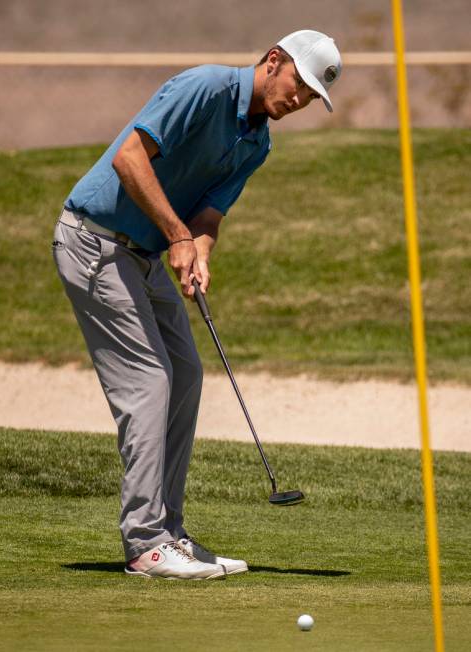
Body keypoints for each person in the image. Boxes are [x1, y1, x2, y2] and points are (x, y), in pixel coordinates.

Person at [52, 29, 342, 580]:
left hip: (143, 256)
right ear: (274, 60)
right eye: (300, 85)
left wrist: (198, 249)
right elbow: (130, 160)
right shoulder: (205, 87)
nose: (300, 101)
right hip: (93, 241)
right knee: (149, 383)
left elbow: (209, 215)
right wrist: (177, 236)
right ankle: (144, 543)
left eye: (311, 97)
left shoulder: (258, 142)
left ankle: (169, 533)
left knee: (185, 375)